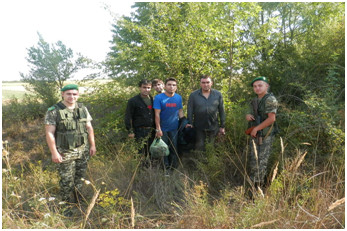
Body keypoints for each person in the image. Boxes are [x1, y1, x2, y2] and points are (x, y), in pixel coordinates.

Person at [45, 84, 96, 216]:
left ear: (78, 95)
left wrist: (92, 145)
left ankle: (79, 202)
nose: (71, 97)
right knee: (66, 181)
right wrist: (54, 152)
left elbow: (89, 128)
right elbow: (49, 133)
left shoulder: (82, 108)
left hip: (83, 150)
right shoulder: (54, 110)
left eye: (74, 94)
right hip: (65, 151)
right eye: (68, 94)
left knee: (79, 178)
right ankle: (65, 207)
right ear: (62, 94)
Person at [245, 76, 278, 190]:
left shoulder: (270, 99)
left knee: (261, 163)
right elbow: (250, 112)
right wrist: (248, 116)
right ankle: (254, 187)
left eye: (260, 85)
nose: (257, 88)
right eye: (255, 86)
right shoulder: (255, 100)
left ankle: (258, 189)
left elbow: (271, 119)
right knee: (254, 161)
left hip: (265, 135)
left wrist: (256, 128)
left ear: (266, 86)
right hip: (256, 134)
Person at [186, 75, 226, 151]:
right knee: (199, 146)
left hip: (213, 126)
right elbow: (190, 110)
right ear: (200, 84)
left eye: (208, 82)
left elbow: (221, 110)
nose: (205, 84)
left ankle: (211, 162)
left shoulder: (218, 94)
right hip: (198, 126)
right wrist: (190, 123)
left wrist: (222, 126)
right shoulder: (193, 95)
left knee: (212, 147)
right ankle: (199, 162)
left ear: (212, 83)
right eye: (203, 82)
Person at [153, 77, 184, 173]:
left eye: (174, 85)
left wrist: (185, 123)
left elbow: (180, 112)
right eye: (169, 85)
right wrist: (158, 129)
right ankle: (165, 169)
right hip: (163, 129)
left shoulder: (178, 97)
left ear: (176, 87)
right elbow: (157, 114)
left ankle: (174, 169)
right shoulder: (159, 98)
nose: (171, 87)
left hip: (174, 128)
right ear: (165, 86)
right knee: (164, 150)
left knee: (174, 148)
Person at [125, 79, 155, 158]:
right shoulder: (133, 101)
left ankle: (151, 169)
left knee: (151, 152)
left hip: (152, 131)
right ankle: (141, 169)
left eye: (148, 88)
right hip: (139, 131)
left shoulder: (153, 100)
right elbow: (128, 116)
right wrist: (130, 131)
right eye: (144, 87)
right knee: (140, 153)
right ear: (140, 88)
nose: (146, 90)